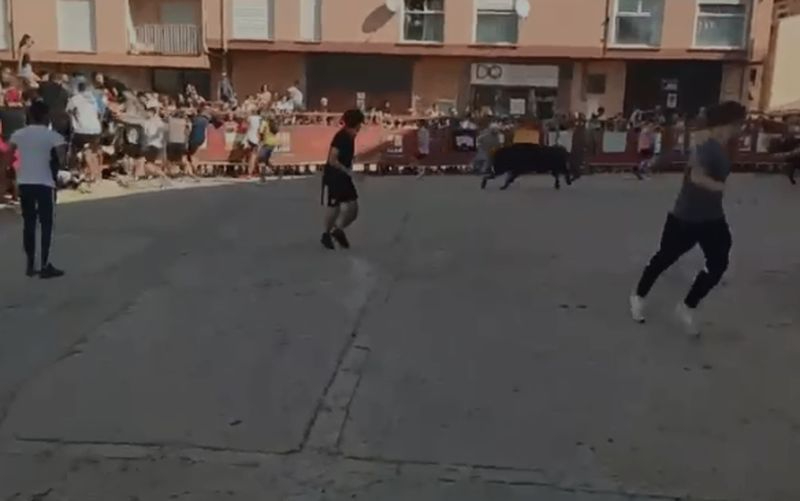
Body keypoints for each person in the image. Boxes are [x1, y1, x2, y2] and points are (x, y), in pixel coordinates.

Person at [629, 101, 747, 336]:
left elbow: (678, 153)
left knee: (719, 262)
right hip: (686, 216)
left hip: (712, 217)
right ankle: (638, 296)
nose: (742, 128)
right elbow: (696, 175)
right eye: (740, 123)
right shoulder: (706, 143)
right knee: (664, 258)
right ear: (730, 122)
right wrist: (716, 185)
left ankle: (687, 306)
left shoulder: (723, 144)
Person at [5, 100, 66, 278]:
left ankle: (30, 264)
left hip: (25, 183)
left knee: (29, 224)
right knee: (46, 224)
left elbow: (7, 160)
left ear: (29, 116)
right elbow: (62, 160)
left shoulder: (18, 134)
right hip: (45, 183)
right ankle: (45, 264)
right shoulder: (53, 136)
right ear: (46, 116)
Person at [320, 109, 365, 250]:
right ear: (357, 124)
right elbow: (332, 159)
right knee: (335, 207)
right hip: (335, 175)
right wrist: (349, 172)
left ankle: (335, 230)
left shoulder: (350, 137)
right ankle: (329, 233)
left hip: (342, 175)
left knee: (352, 208)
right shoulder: (341, 137)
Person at [66, 82, 103, 184]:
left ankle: (89, 174)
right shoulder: (93, 99)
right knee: (93, 152)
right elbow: (100, 113)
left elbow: (68, 111)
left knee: (82, 152)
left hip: (82, 129)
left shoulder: (75, 99)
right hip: (96, 129)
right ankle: (97, 175)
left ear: (78, 89)